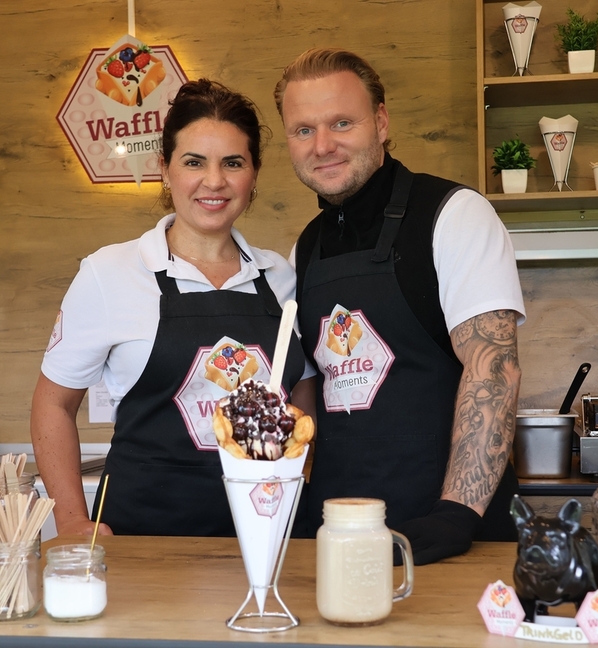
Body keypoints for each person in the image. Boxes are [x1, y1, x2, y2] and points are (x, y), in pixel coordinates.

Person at [31, 79, 314, 538]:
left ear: (254, 174)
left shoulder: (280, 276)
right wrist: (72, 522)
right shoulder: (110, 273)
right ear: (165, 169)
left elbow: (302, 391)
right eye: (194, 162)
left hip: (270, 532)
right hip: (143, 539)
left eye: (233, 163)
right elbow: (53, 404)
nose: (214, 181)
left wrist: (301, 469)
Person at [274, 49, 525, 564]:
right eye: (303, 130)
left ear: (382, 122)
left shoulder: (455, 215)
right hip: (339, 534)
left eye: (342, 123)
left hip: (450, 536)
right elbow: (313, 396)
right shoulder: (305, 248)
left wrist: (455, 515)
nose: (322, 145)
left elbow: (494, 370)